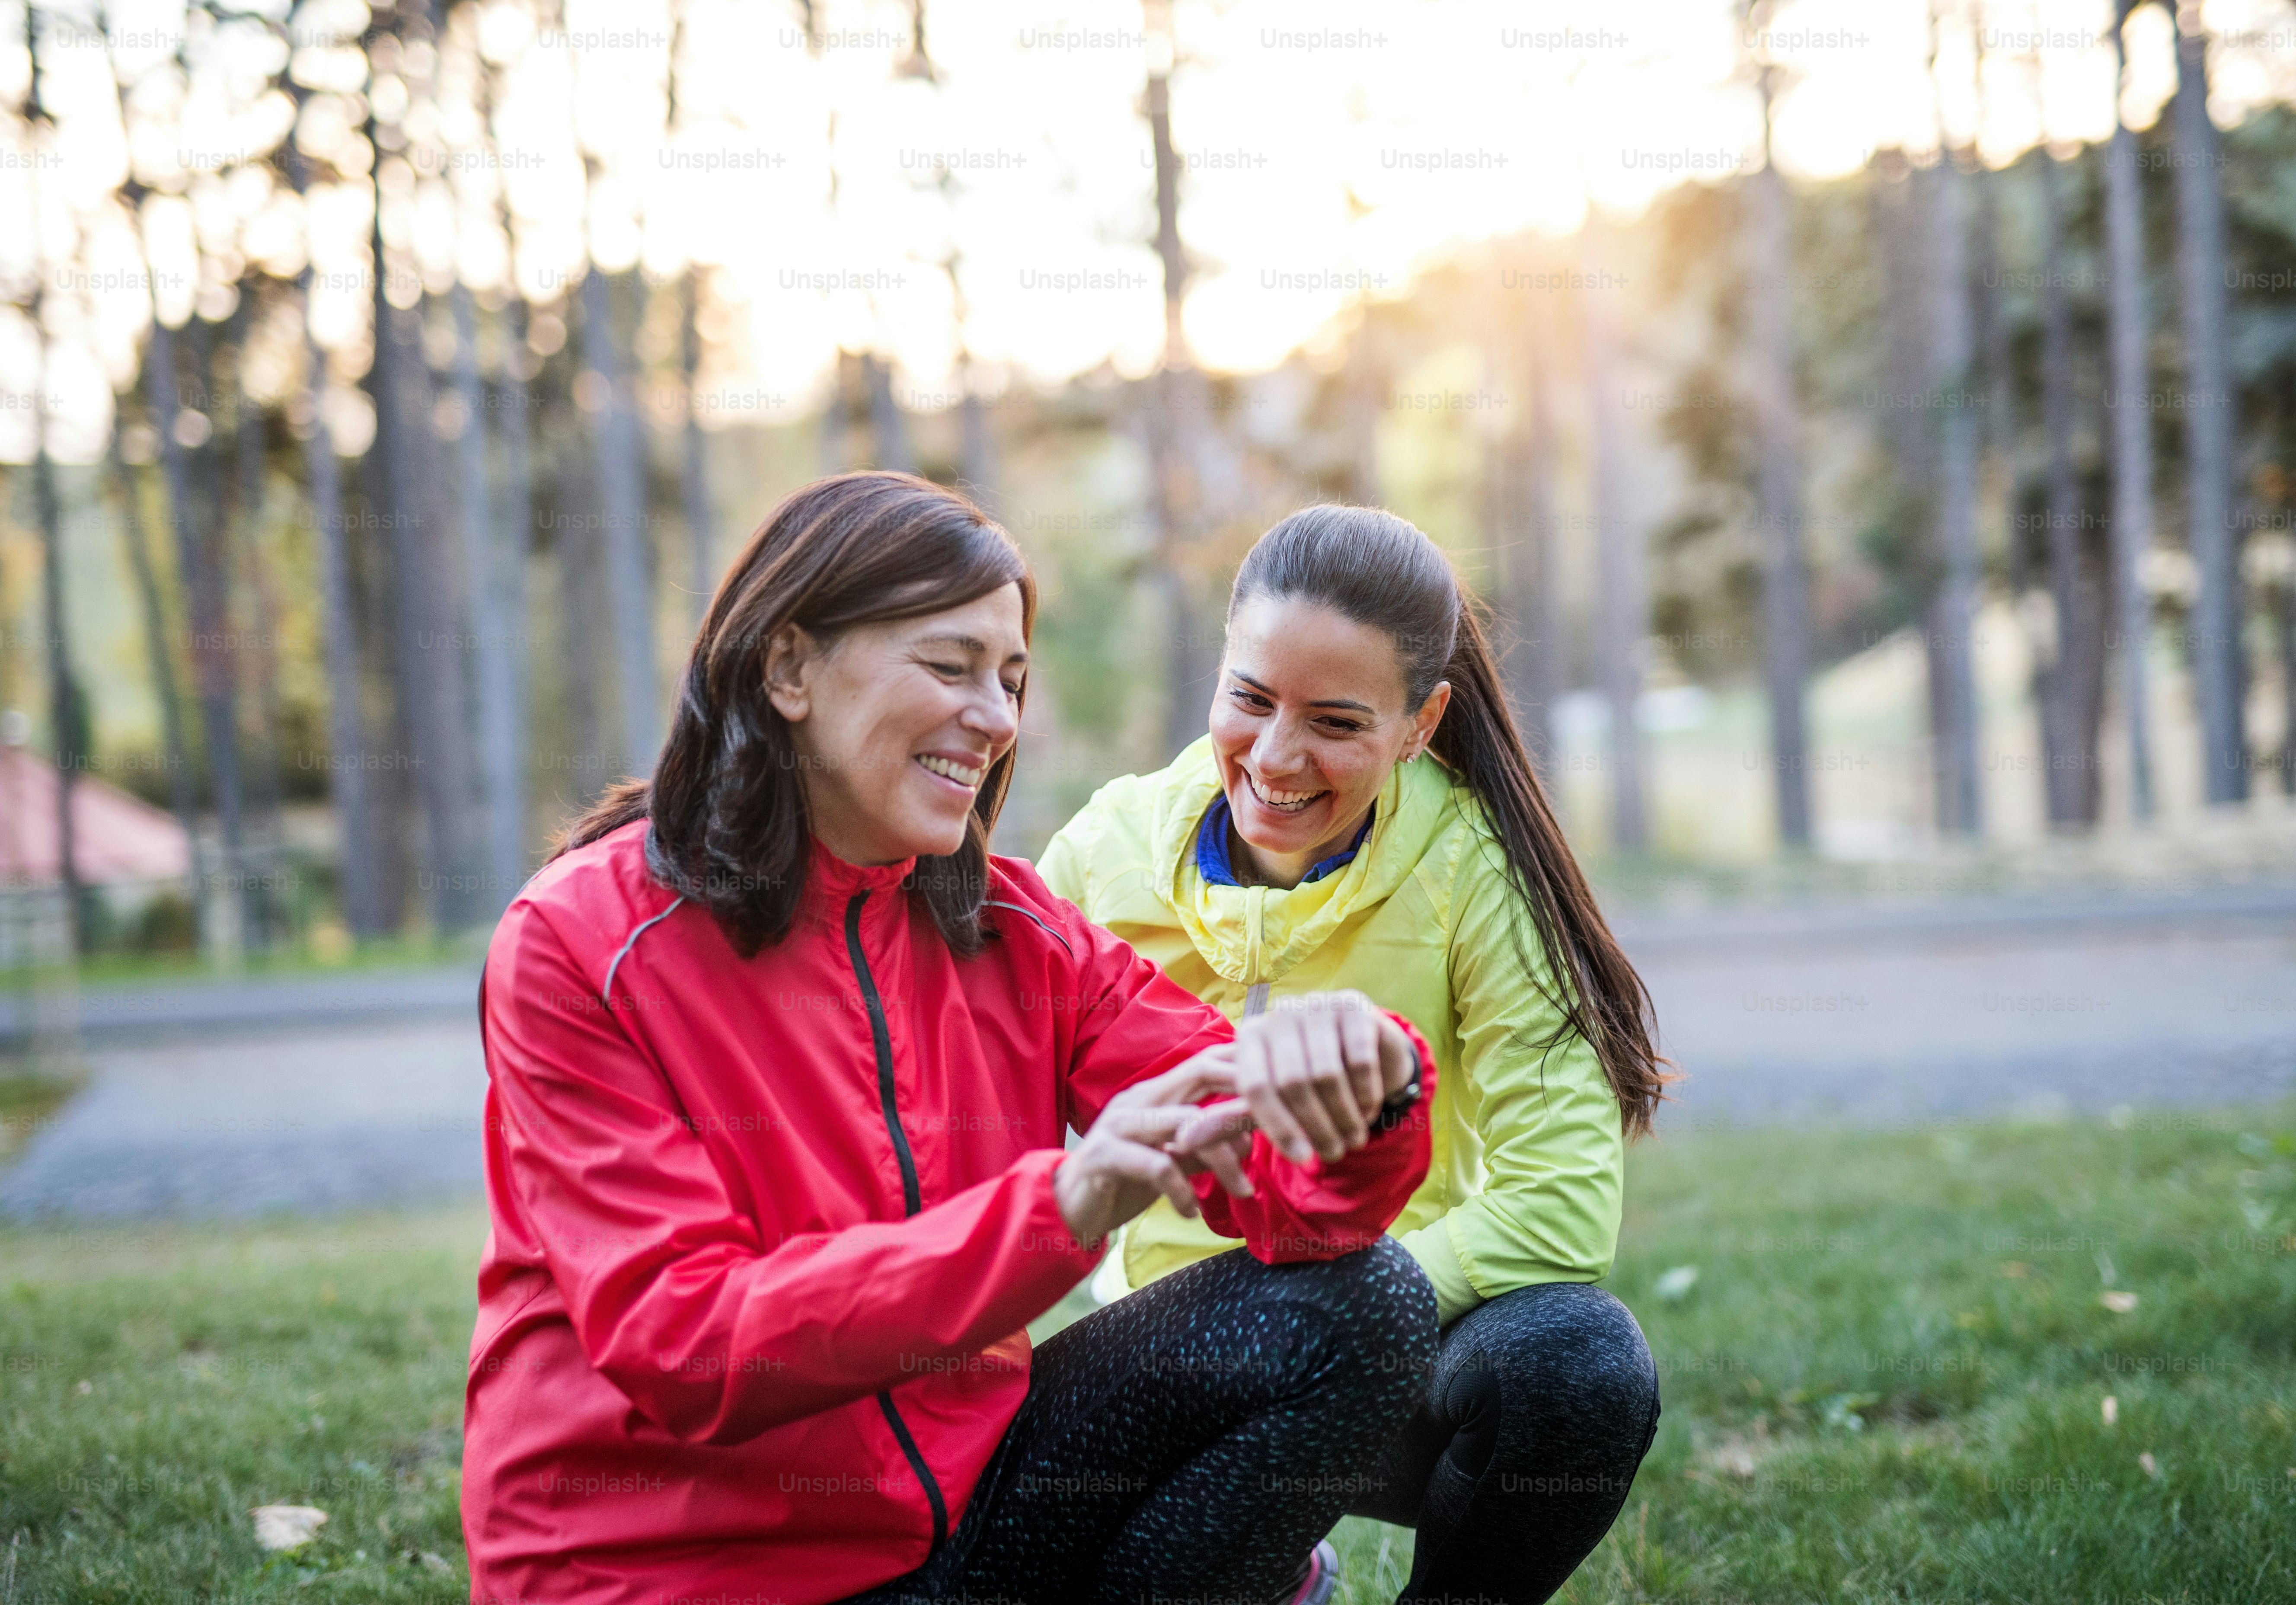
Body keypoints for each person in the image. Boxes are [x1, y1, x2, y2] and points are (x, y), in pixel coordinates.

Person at [462, 473, 1442, 1605]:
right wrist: (1063, 1202)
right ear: (788, 668)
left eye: (1013, 680)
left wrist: (1368, 1087)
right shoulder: (581, 942)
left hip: (956, 1529)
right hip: (674, 1578)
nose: (998, 717)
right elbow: (684, 1341)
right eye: (951, 667)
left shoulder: (1017, 932)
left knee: (1363, 1309)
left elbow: (1289, 1194)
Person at [1039, 504, 1673, 1605]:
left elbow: (1563, 1200)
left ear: (1421, 723)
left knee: (1578, 1366)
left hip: (1385, 1348)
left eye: (1336, 720)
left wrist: (1333, 1324)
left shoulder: (1476, 869)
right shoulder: (1102, 854)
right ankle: (1281, 1572)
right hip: (1159, 1364)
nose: (1278, 755)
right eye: (1250, 696)